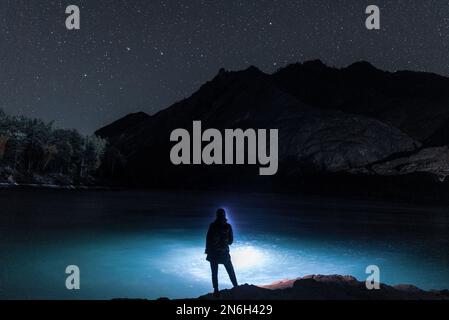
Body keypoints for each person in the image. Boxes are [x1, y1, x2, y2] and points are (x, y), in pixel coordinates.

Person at [205, 208, 238, 297]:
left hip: (213, 253)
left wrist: (207, 250)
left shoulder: (212, 225)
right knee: (230, 270)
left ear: (217, 215)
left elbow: (208, 239)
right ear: (224, 215)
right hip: (224, 253)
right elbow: (231, 241)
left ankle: (216, 290)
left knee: (214, 272)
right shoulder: (228, 226)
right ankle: (236, 286)